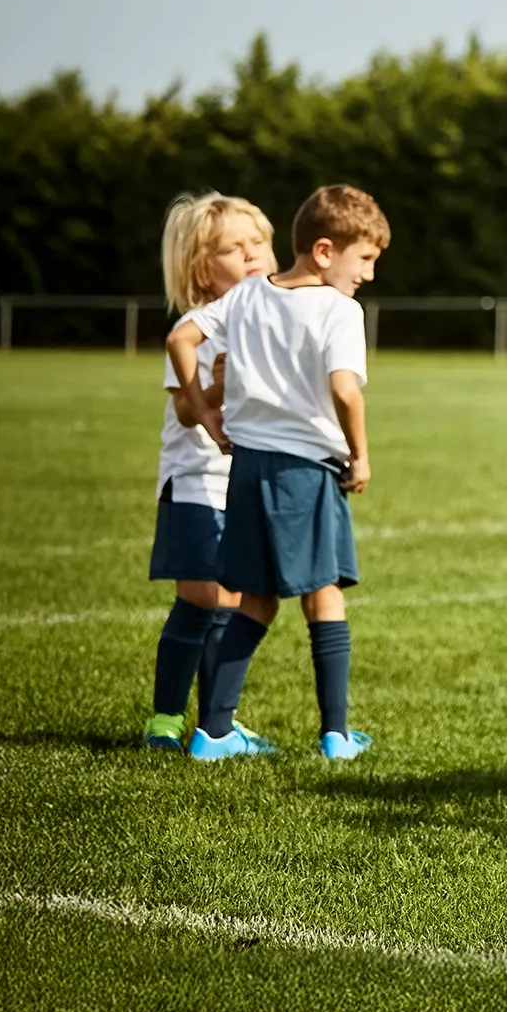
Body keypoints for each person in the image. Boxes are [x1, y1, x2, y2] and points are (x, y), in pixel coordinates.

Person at [168, 183, 390, 763]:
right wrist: (360, 454)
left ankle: (213, 733)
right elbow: (345, 389)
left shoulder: (245, 298)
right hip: (306, 473)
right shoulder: (340, 310)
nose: (367, 273)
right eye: (363, 258)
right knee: (326, 595)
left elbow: (181, 336)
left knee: (256, 601)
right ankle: (337, 736)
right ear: (323, 251)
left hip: (246, 472)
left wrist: (205, 410)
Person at [144, 193, 277, 750]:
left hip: (240, 483)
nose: (252, 254)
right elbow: (185, 409)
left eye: (259, 243)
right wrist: (218, 385)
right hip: (197, 478)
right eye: (234, 248)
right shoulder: (201, 326)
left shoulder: (265, 320)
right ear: (203, 267)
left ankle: (214, 724)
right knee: (203, 597)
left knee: (227, 600)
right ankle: (167, 718)